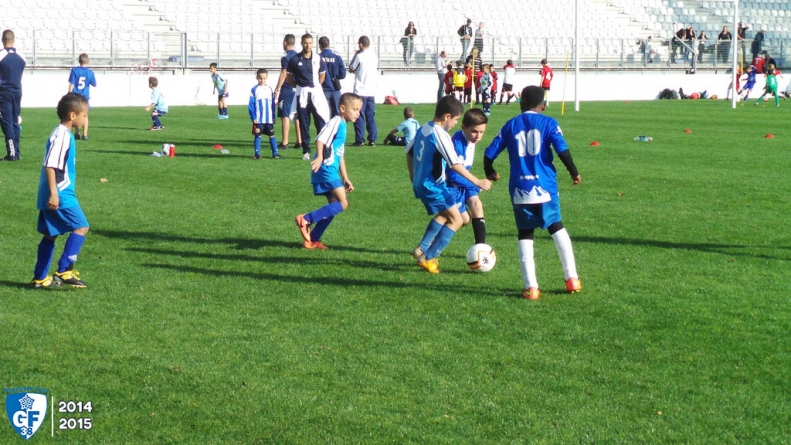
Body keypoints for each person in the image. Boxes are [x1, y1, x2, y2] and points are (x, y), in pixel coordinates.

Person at [483, 85, 582, 300]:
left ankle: (531, 288)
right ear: (543, 106)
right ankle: (572, 279)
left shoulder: (510, 125)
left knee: (525, 234)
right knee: (557, 228)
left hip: (520, 189)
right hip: (545, 187)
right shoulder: (549, 123)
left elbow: (489, 153)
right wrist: (573, 172)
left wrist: (489, 171)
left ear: (520, 104)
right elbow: (562, 150)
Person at [405, 96, 492, 274]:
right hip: (433, 185)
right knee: (457, 219)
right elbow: (454, 164)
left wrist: (413, 176)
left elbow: (408, 151)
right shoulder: (440, 134)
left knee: (456, 217)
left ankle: (423, 250)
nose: (454, 124)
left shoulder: (423, 128)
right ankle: (428, 258)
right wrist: (477, 181)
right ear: (446, 116)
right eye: (455, 120)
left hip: (423, 183)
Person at [30, 93, 90, 288]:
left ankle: (39, 278)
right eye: (85, 115)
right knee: (81, 226)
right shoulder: (62, 135)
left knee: (51, 234)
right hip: (60, 193)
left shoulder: (63, 134)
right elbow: (50, 165)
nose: (86, 119)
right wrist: (54, 193)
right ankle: (64, 270)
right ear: (72, 115)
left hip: (54, 192)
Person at [295, 93, 363, 249]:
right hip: (325, 168)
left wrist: (345, 177)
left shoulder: (343, 126)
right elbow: (320, 138)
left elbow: (340, 153)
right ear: (343, 108)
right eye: (355, 109)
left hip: (330, 168)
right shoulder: (336, 121)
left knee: (333, 206)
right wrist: (319, 156)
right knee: (343, 203)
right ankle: (306, 219)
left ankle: (312, 239)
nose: (358, 113)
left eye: (359, 110)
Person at [447, 108, 489, 245]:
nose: (478, 136)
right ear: (463, 127)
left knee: (477, 204)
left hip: (464, 181)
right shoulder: (458, 144)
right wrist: (475, 184)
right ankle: (428, 244)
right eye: (475, 131)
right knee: (462, 219)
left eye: (482, 132)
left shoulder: (470, 139)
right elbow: (453, 175)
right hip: (452, 185)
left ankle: (481, 247)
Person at [286, 33, 330, 161]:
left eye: (310, 43)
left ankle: (322, 149)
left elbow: (322, 76)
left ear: (313, 44)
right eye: (306, 43)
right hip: (302, 95)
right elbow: (289, 78)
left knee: (320, 121)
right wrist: (300, 86)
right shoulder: (295, 59)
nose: (308, 45)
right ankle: (306, 151)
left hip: (316, 93)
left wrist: (315, 87)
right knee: (304, 124)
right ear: (301, 43)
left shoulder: (318, 58)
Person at [0, 29, 26, 162]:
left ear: (2, 40)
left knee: (7, 122)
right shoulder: (21, 55)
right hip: (17, 91)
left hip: (4, 92)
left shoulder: (1, 55)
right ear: (13, 40)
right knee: (15, 121)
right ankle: (16, 151)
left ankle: (12, 153)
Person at [348, 36, 378, 147]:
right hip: (371, 90)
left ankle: (360, 140)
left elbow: (351, 68)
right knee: (370, 116)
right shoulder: (375, 57)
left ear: (361, 44)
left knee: (359, 115)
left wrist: (355, 55)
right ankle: (372, 139)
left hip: (360, 90)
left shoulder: (359, 56)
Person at [274, 34, 301, 150]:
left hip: (287, 88)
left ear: (285, 42)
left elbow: (284, 73)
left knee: (285, 115)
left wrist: (277, 88)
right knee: (296, 115)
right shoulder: (299, 56)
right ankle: (299, 141)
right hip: (298, 88)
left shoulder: (285, 57)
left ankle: (285, 142)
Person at [249, 68, 280, 159]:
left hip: (268, 119)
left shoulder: (269, 89)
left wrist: (273, 116)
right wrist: (253, 116)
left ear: (267, 78)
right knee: (258, 135)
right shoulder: (254, 89)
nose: (262, 80)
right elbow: (251, 104)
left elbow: (272, 104)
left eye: (264, 78)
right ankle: (257, 153)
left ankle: (275, 153)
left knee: (272, 135)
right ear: (256, 78)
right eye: (260, 78)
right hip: (259, 118)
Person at [67, 53, 96, 140]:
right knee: (85, 116)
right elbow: (94, 84)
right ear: (88, 61)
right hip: (85, 97)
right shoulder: (90, 72)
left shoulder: (74, 70)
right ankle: (85, 134)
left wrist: (69, 93)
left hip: (76, 96)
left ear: (79, 61)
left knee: (76, 114)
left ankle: (77, 133)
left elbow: (72, 83)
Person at [319, 36, 346, 118]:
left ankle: (323, 130)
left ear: (320, 45)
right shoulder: (337, 57)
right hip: (335, 89)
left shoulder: (318, 57)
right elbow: (343, 74)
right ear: (328, 44)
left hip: (322, 89)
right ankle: (335, 131)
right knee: (337, 116)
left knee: (322, 115)